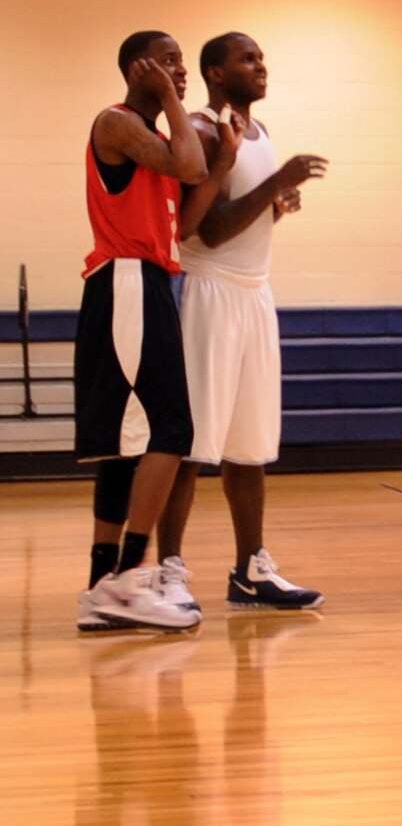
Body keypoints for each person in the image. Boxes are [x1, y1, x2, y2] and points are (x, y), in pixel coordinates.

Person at [152, 33, 329, 616]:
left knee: (249, 445)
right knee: (193, 444)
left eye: (262, 57)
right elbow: (206, 231)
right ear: (216, 73)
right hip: (209, 293)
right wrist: (278, 183)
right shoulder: (204, 131)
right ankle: (169, 570)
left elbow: (247, 216)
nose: (260, 67)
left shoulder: (260, 133)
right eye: (247, 59)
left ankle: (252, 568)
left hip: (255, 295)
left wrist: (278, 203)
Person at [75, 32, 210, 632]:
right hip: (126, 280)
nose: (181, 71)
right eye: (171, 60)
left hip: (146, 281)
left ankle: (105, 586)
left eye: (183, 63)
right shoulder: (117, 123)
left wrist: (225, 162)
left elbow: (190, 195)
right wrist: (171, 101)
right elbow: (190, 163)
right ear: (140, 66)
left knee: (126, 443)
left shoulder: (150, 137)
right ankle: (130, 579)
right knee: (170, 429)